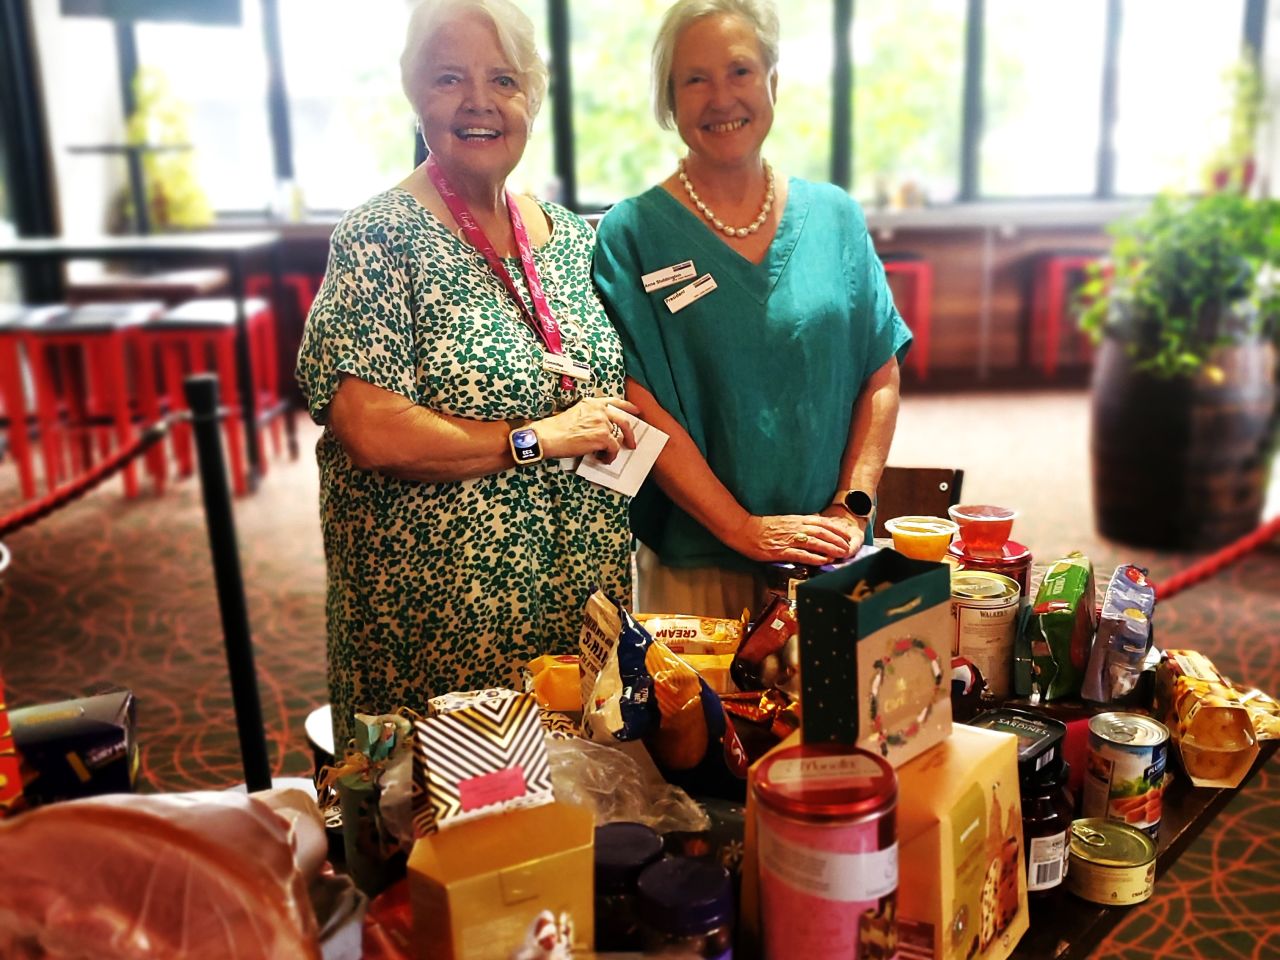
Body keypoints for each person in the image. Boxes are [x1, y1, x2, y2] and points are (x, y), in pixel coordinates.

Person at [297, 0, 638, 744]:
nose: (480, 101)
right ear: (415, 94)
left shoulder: (572, 237)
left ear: (531, 99)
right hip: (443, 629)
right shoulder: (380, 236)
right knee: (461, 810)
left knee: (586, 802)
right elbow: (372, 431)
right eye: (450, 78)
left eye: (503, 80)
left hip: (579, 608)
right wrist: (539, 437)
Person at [593, 0, 911, 618]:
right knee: (698, 690)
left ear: (772, 81)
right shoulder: (631, 233)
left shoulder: (836, 217)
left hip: (830, 557)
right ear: (670, 99)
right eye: (695, 79)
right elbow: (640, 402)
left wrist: (852, 507)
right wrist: (742, 528)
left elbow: (880, 371)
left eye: (739, 71)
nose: (721, 98)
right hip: (695, 566)